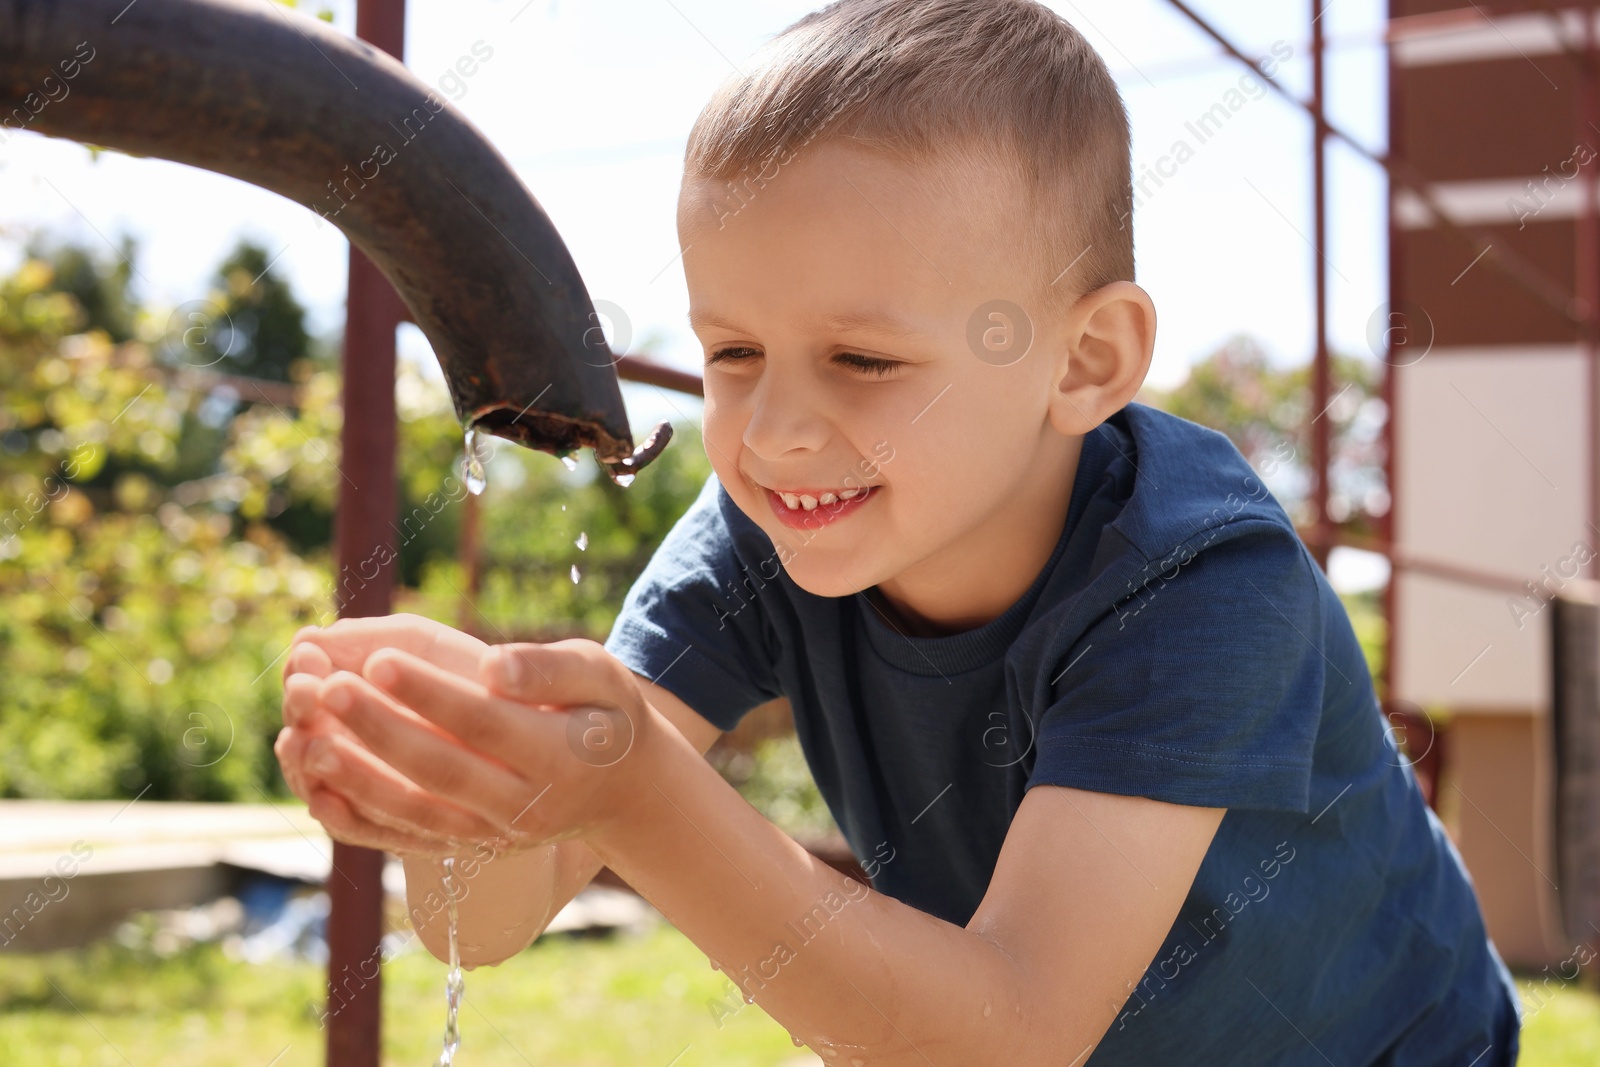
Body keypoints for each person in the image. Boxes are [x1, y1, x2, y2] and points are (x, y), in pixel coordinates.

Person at [275, 1, 1521, 1062]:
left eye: (862, 358)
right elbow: (478, 926)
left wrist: (639, 795)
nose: (772, 432)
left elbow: (1012, 1028)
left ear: (1084, 361)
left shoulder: (1196, 578)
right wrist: (463, 781)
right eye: (732, 352)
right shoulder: (756, 538)